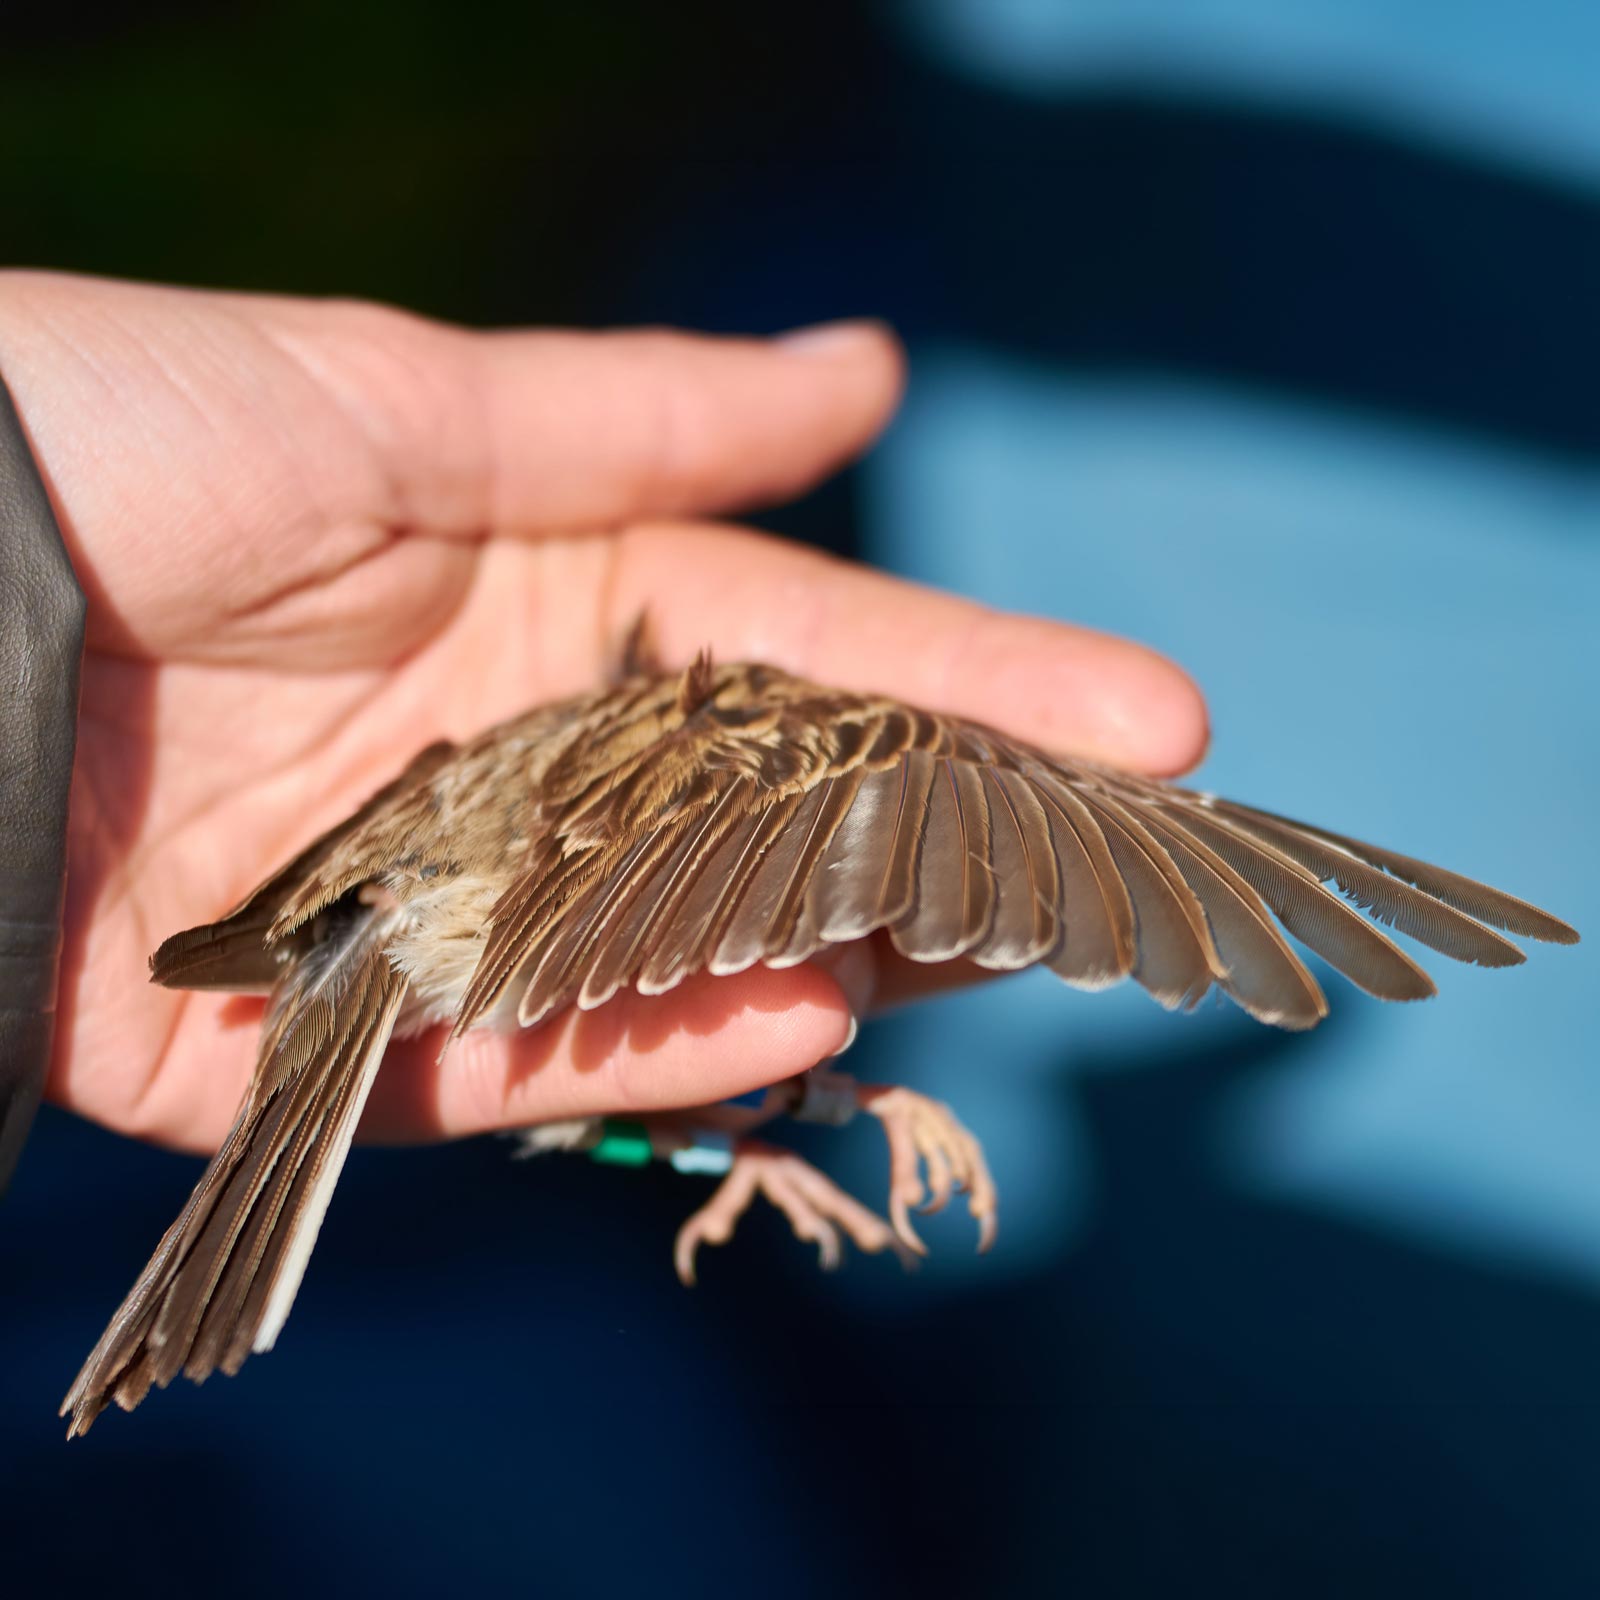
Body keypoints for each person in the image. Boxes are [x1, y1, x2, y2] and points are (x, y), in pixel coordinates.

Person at [0, 270, 1207, 1163]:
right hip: (429, 914)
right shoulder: (832, 743)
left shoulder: (575, 730)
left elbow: (578, 1115)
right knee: (652, 1060)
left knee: (616, 1085)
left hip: (390, 908)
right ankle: (747, 1141)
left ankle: (733, 1145)